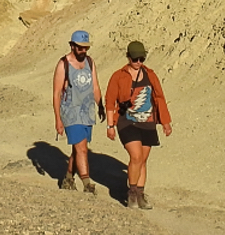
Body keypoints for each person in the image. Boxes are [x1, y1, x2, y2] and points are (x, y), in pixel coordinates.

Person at [105, 40, 172, 209]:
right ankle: (132, 193)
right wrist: (110, 125)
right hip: (126, 121)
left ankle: (141, 195)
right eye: (135, 59)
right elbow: (110, 101)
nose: (138, 62)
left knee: (143, 160)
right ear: (128, 57)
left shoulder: (150, 74)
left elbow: (159, 98)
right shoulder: (118, 76)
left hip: (147, 121)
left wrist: (165, 122)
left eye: (141, 58)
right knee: (135, 156)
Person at [53, 29, 104, 193]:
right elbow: (56, 93)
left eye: (86, 48)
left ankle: (68, 178)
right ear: (72, 46)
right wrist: (58, 119)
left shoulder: (90, 62)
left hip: (87, 111)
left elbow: (95, 87)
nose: (84, 51)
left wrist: (101, 105)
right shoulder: (63, 64)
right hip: (71, 112)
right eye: (80, 48)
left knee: (79, 147)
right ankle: (87, 183)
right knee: (82, 148)